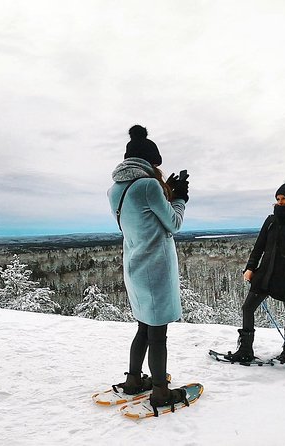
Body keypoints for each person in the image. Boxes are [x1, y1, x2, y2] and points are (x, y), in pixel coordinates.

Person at [107, 124, 190, 411]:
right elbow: (174, 223)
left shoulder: (115, 190)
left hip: (134, 264)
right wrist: (179, 197)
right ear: (149, 161)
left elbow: (144, 219)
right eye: (157, 164)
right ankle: (160, 392)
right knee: (157, 334)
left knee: (143, 327)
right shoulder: (148, 185)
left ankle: (133, 381)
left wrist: (169, 193)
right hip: (155, 268)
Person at [225, 182, 285, 364]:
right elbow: (259, 246)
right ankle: (245, 350)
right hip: (266, 273)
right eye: (277, 199)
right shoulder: (271, 220)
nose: (280, 202)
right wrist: (250, 268)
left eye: (284, 199)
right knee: (248, 308)